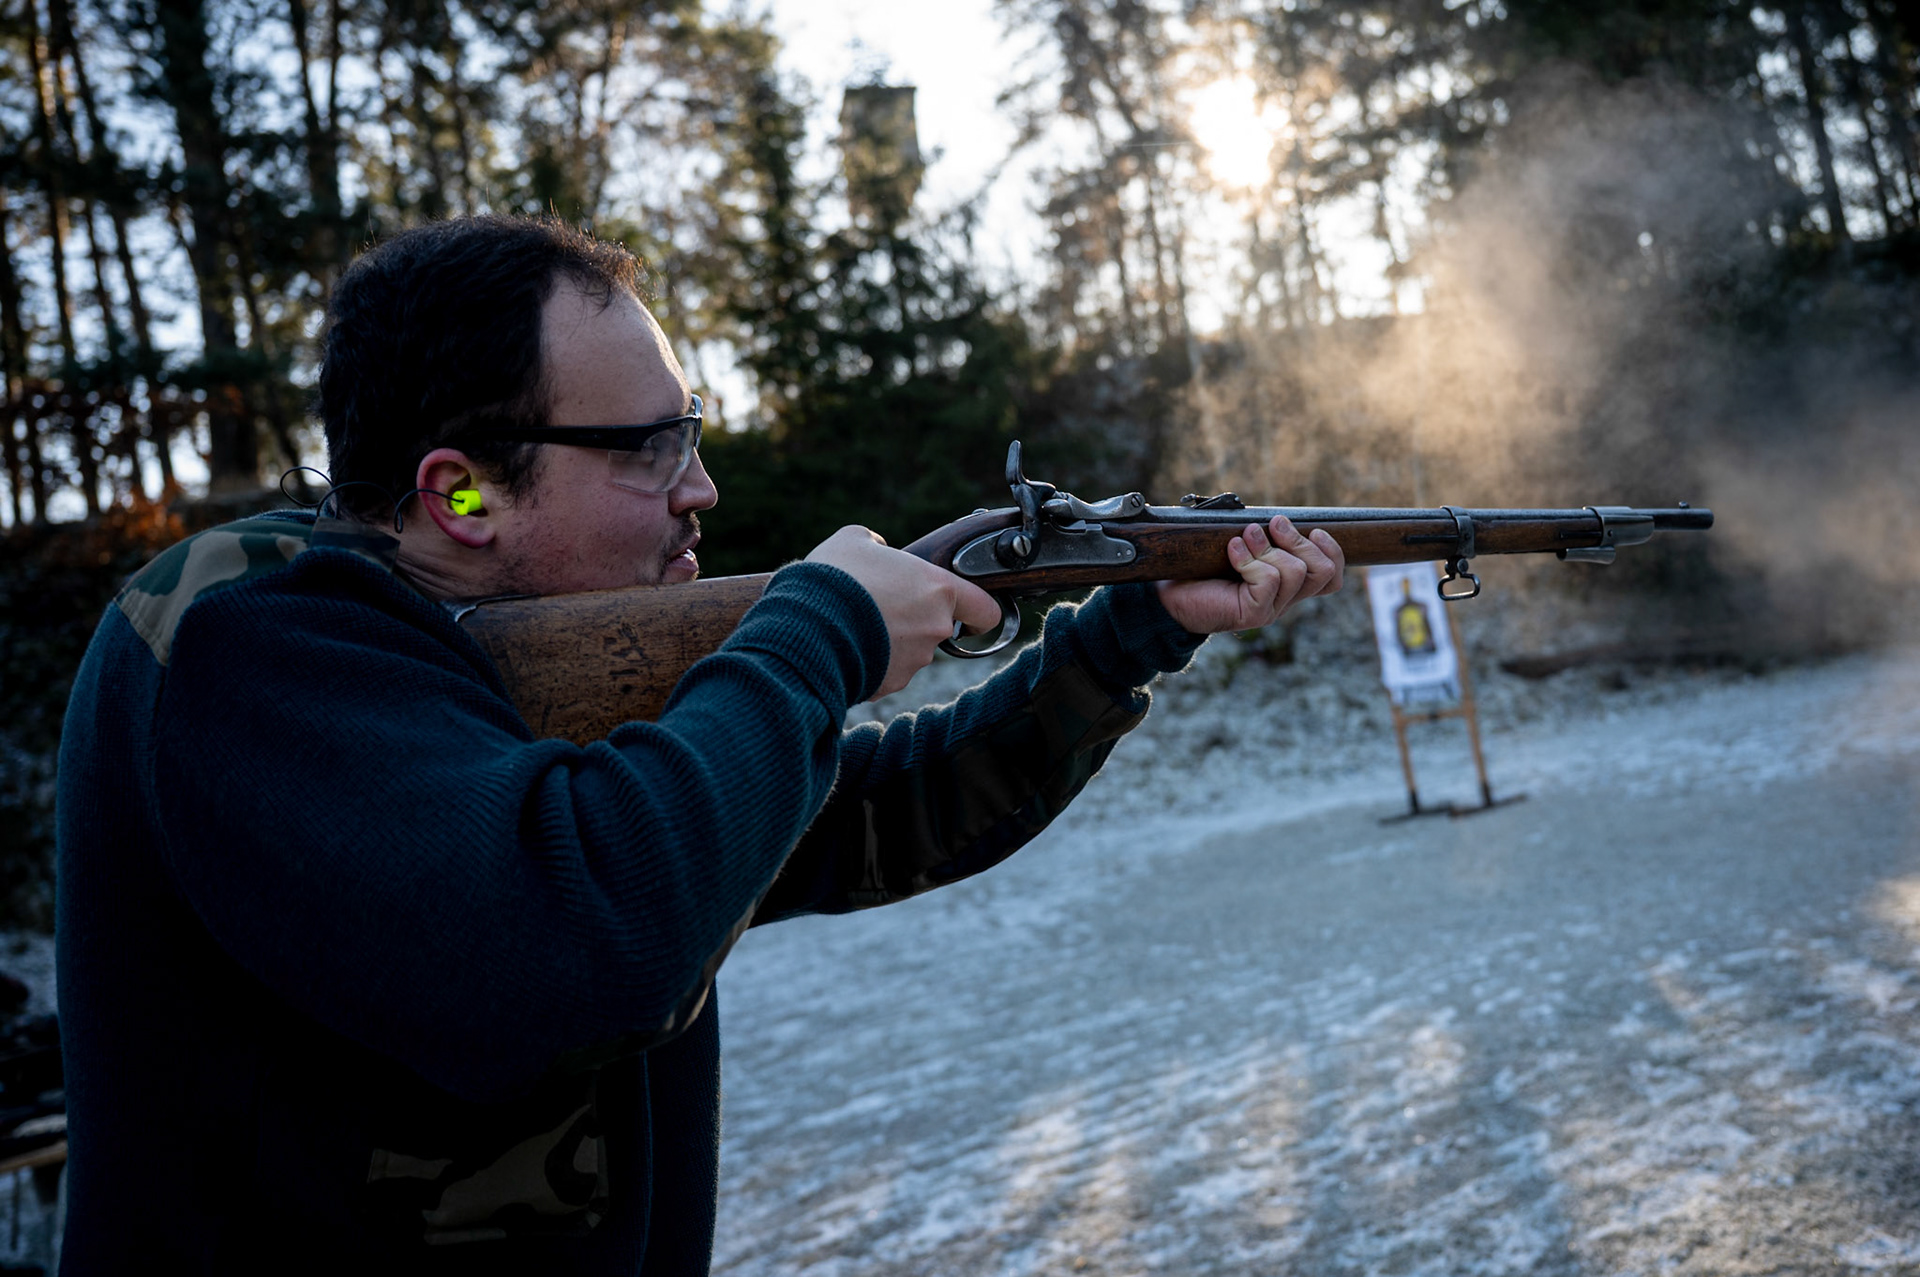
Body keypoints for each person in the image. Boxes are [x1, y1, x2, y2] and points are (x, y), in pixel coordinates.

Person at [54, 215, 1344, 1273]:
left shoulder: (517, 657)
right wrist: (818, 631)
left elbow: (876, 814)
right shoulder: (236, 633)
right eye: (649, 449)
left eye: (694, 433)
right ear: (461, 492)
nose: (701, 490)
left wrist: (1132, 634)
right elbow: (579, 945)